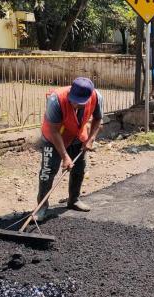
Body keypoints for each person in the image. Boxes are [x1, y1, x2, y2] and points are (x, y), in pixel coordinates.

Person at [36, 77, 103, 221]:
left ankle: (73, 200)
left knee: (79, 168)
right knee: (47, 172)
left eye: (80, 102)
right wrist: (65, 157)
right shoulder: (56, 100)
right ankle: (41, 207)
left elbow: (98, 119)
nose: (75, 104)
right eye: (74, 100)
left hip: (77, 135)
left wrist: (91, 139)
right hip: (54, 137)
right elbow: (54, 131)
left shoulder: (97, 97)